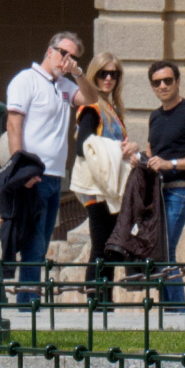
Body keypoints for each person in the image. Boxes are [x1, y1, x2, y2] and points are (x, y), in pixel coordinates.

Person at [5, 32, 96, 306]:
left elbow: (91, 98)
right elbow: (13, 124)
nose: (66, 60)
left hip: (56, 176)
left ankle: (29, 301)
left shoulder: (66, 85)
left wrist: (78, 73)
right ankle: (27, 306)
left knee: (42, 244)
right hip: (34, 175)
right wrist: (20, 171)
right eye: (63, 53)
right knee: (33, 246)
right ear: (50, 51)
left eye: (73, 57)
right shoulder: (26, 80)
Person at [123, 60, 185, 309]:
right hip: (157, 192)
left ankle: (178, 314)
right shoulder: (155, 116)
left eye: (168, 80)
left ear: (178, 81)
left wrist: (170, 163)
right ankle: (169, 312)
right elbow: (153, 153)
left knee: (166, 250)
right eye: (157, 82)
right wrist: (139, 159)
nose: (162, 86)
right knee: (159, 252)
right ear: (152, 86)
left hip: (180, 189)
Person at [70, 53, 127, 304]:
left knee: (108, 247)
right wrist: (119, 150)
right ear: (94, 75)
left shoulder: (112, 108)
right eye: (103, 73)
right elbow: (82, 147)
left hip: (109, 187)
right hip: (96, 188)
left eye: (113, 74)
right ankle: (98, 305)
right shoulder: (92, 109)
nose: (108, 79)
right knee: (101, 246)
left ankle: (106, 302)